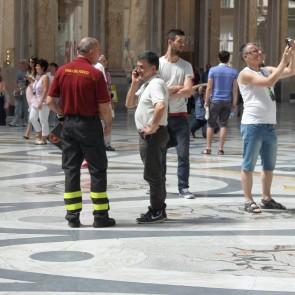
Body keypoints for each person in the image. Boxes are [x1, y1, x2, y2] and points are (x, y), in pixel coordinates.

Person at [47, 37, 115, 228]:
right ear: (92, 51)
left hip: (69, 125)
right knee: (97, 169)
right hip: (89, 126)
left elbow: (50, 101)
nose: (99, 54)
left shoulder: (62, 71)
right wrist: (108, 124)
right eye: (98, 50)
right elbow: (103, 105)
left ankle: (72, 216)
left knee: (71, 169)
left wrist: (63, 114)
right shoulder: (94, 74)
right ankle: (100, 216)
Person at [238, 42, 295, 213]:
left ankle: (266, 197)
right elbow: (269, 81)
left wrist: (291, 55)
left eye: (259, 50)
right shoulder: (245, 74)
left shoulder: (265, 69)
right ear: (245, 56)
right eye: (253, 51)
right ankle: (248, 200)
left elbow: (291, 71)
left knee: (269, 165)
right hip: (253, 124)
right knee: (248, 164)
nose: (259, 52)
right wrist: (282, 61)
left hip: (269, 125)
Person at [126, 51, 169, 224]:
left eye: (142, 67)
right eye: (137, 67)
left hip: (153, 136)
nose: (139, 70)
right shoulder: (146, 84)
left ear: (153, 68)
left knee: (153, 174)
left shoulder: (156, 83)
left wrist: (152, 126)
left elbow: (160, 106)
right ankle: (159, 208)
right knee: (155, 172)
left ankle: (157, 210)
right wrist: (134, 83)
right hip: (149, 135)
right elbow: (129, 104)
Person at [159, 29, 194, 199]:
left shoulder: (186, 65)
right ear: (170, 41)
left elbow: (188, 91)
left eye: (183, 41)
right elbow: (153, 91)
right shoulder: (157, 65)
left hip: (180, 116)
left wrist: (166, 90)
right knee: (160, 153)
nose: (182, 44)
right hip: (162, 116)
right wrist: (174, 88)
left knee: (183, 154)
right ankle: (159, 185)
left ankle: (183, 187)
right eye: (180, 41)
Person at [203, 50, 238, 155]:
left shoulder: (213, 70)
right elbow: (235, 89)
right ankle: (220, 149)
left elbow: (209, 87)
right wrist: (234, 103)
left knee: (210, 124)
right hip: (227, 100)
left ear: (218, 58)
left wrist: (206, 101)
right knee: (223, 124)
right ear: (229, 59)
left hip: (215, 100)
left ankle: (208, 148)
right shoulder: (233, 72)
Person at [27, 59, 50, 145]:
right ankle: (40, 132)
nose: (36, 67)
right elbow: (35, 87)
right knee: (32, 118)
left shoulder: (45, 77)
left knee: (43, 120)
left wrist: (41, 102)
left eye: (38, 66)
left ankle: (44, 138)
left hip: (43, 101)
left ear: (43, 67)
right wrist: (32, 81)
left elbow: (45, 89)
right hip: (36, 100)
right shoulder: (38, 77)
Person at [98, 54, 116, 152]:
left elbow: (110, 88)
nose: (102, 62)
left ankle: (107, 143)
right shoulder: (96, 72)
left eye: (104, 61)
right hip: (100, 103)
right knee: (100, 124)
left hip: (108, 101)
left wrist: (112, 101)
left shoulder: (107, 74)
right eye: (100, 60)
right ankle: (100, 143)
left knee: (109, 123)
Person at [9, 60, 29, 127]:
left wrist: (22, 88)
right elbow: (16, 81)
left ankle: (26, 121)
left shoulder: (28, 73)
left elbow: (28, 83)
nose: (22, 66)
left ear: (26, 65)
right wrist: (16, 89)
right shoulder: (18, 72)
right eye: (21, 64)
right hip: (18, 89)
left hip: (26, 90)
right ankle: (16, 121)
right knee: (17, 106)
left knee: (26, 106)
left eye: (23, 64)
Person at [23, 56, 38, 139]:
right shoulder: (28, 71)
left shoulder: (38, 71)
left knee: (33, 111)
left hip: (35, 92)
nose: (31, 64)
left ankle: (28, 132)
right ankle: (36, 132)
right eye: (30, 62)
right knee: (31, 111)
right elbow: (27, 82)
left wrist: (31, 80)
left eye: (32, 62)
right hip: (29, 91)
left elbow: (38, 83)